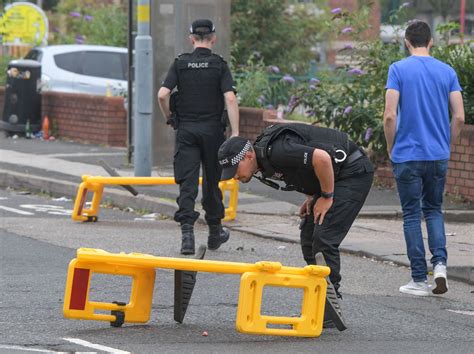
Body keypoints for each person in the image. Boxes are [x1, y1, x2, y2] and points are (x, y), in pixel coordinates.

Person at [218, 123, 374, 329]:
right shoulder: (262, 162)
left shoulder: (279, 151)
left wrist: (326, 196)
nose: (235, 177)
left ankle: (328, 306)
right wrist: (312, 196)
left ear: (248, 156)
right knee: (308, 235)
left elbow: (322, 158)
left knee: (324, 236)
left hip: (353, 172)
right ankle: (320, 301)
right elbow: (302, 171)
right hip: (333, 176)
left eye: (235, 170)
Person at [383, 21, 465, 296]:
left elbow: (390, 115)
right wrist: (447, 143)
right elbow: (460, 117)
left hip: (408, 154)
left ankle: (419, 279)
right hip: (437, 155)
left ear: (407, 42)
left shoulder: (398, 69)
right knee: (434, 210)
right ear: (431, 41)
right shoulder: (447, 71)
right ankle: (440, 265)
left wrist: (390, 146)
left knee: (411, 215)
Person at [157, 19, 240, 255]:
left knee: (187, 182)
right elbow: (231, 99)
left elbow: (163, 94)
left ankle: (187, 237)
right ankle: (215, 232)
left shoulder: (180, 63)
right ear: (213, 38)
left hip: (187, 132)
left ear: (191, 39)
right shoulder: (219, 65)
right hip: (213, 132)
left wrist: (170, 117)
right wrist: (235, 134)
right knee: (213, 181)